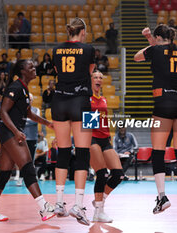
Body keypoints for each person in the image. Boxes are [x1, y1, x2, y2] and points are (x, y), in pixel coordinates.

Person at [135, 24, 177, 214]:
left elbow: (137, 57)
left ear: (157, 37)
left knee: (158, 150)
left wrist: (148, 40)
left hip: (165, 101)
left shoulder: (154, 49)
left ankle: (162, 197)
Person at [0, 59, 56, 222]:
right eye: (31, 66)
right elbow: (3, 112)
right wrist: (16, 132)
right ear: (23, 71)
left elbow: (29, 114)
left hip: (10, 131)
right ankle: (44, 208)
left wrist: (47, 123)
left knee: (5, 171)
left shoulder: (23, 89)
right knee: (27, 166)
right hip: (9, 131)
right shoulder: (16, 87)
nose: (34, 68)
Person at [51, 17, 96, 225]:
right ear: (83, 32)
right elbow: (89, 72)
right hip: (82, 101)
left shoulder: (56, 50)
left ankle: (59, 202)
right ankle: (78, 205)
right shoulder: (88, 49)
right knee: (83, 153)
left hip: (59, 101)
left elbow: (59, 73)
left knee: (63, 152)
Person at [90, 70, 124, 223]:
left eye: (100, 78)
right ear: (90, 80)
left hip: (105, 138)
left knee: (118, 174)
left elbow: (104, 120)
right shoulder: (86, 98)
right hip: (92, 138)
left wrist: (109, 135)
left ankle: (100, 200)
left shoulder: (103, 99)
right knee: (102, 173)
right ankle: (98, 212)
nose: (98, 79)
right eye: (95, 77)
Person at [25, 93, 40, 161]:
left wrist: (25, 121)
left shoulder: (37, 110)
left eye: (30, 100)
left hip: (32, 138)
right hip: (22, 138)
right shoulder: (20, 110)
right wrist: (29, 121)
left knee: (31, 159)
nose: (29, 101)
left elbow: (36, 121)